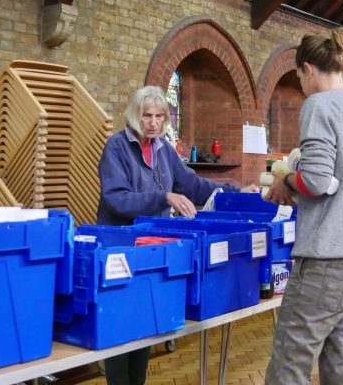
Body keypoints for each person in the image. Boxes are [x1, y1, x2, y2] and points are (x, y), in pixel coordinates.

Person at [96, 85, 259, 385]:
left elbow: (194, 185)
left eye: (159, 116)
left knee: (146, 323)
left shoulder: (163, 149)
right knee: (121, 328)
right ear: (134, 115)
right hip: (122, 246)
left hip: (155, 248)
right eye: (147, 116)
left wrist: (236, 191)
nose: (153, 123)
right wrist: (163, 197)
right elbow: (116, 199)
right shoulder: (116, 147)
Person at [264, 27, 343, 384]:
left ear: (308, 69)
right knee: (340, 370)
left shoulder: (319, 104)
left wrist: (285, 181)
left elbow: (316, 180)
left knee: (289, 368)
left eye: (299, 76)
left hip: (327, 263)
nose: (301, 83)